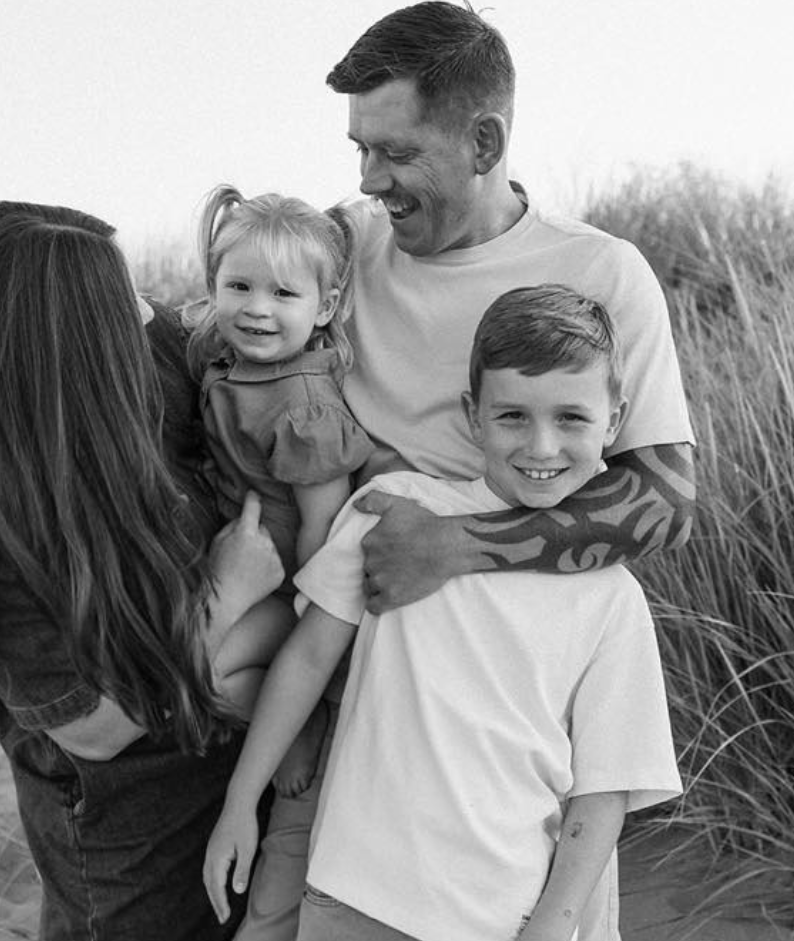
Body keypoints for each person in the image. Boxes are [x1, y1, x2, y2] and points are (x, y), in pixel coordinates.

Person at [237, 3, 696, 940]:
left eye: (397, 153)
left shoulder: (600, 275)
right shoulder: (342, 250)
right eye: (360, 150)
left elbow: (665, 497)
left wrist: (457, 545)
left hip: (503, 717)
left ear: (483, 140)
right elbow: (242, 311)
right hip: (340, 680)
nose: (370, 181)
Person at [205, 284, 683, 941]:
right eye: (512, 416)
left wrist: (555, 924)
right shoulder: (393, 512)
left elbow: (603, 789)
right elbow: (309, 656)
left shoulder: (609, 594)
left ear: (615, 419)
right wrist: (240, 800)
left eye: (571, 417)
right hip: (352, 892)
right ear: (473, 414)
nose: (541, 447)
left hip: (501, 915)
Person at [0, 201, 285, 941]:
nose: (150, 314)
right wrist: (225, 599)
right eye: (121, 304)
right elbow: (95, 731)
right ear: (68, 346)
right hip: (128, 838)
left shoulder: (158, 355)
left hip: (242, 779)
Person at [188, 184, 374, 797]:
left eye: (284, 294)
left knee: (210, 673)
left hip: (291, 582)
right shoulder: (233, 362)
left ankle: (303, 716)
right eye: (238, 287)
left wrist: (307, 623)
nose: (257, 309)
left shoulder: (303, 405)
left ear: (325, 306)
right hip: (242, 563)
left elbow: (324, 527)